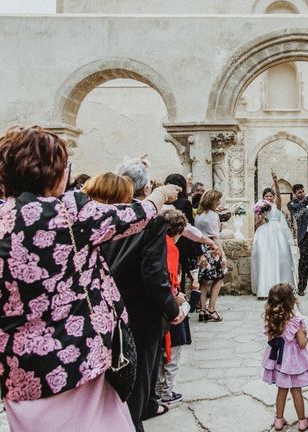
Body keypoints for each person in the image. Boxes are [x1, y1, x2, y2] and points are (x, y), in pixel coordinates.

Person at [0, 125, 179, 431]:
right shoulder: (67, 210)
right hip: (74, 359)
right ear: (53, 171)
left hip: (17, 366)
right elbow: (129, 218)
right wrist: (159, 196)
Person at [102, 158, 186, 431]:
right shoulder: (150, 222)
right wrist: (172, 311)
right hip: (141, 316)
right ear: (146, 187)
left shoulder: (103, 216)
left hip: (107, 314)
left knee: (112, 387)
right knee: (137, 388)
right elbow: (154, 274)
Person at [261, 284, 308, 432]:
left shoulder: (271, 322)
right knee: (296, 390)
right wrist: (304, 335)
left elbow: (270, 341)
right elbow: (302, 344)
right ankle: (302, 421)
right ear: (291, 302)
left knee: (282, 390)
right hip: (293, 362)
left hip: (279, 361)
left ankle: (279, 420)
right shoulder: (296, 323)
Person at [156, 209, 191, 408]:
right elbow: (167, 278)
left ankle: (160, 390)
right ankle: (166, 392)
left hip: (163, 304)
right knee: (170, 355)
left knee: (162, 356)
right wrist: (176, 298)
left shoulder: (159, 244)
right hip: (168, 309)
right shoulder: (170, 248)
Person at [251, 174, 295, 299]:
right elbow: (256, 223)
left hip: (277, 234)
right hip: (264, 234)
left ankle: (282, 288)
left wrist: (275, 182)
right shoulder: (259, 207)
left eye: (271, 196)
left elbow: (279, 196)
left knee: (281, 258)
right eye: (267, 196)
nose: (269, 198)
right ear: (263, 197)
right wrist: (263, 218)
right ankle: (264, 289)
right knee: (265, 259)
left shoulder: (277, 205)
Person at [194, 190, 228, 322]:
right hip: (212, 249)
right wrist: (223, 255)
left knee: (203, 281)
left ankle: (202, 310)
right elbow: (215, 237)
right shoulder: (213, 216)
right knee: (219, 278)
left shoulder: (199, 214)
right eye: (217, 200)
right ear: (211, 201)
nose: (219, 202)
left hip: (202, 248)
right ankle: (211, 309)